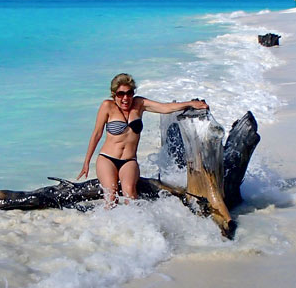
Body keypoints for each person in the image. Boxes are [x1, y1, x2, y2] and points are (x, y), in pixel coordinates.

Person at [78, 73, 209, 206]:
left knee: (130, 194)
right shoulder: (107, 106)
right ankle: (108, 226)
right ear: (114, 94)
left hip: (129, 161)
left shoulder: (139, 104)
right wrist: (86, 162)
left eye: (129, 93)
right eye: (120, 94)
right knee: (111, 195)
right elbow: (97, 134)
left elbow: (165, 108)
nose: (125, 98)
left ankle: (133, 225)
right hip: (107, 159)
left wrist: (191, 104)